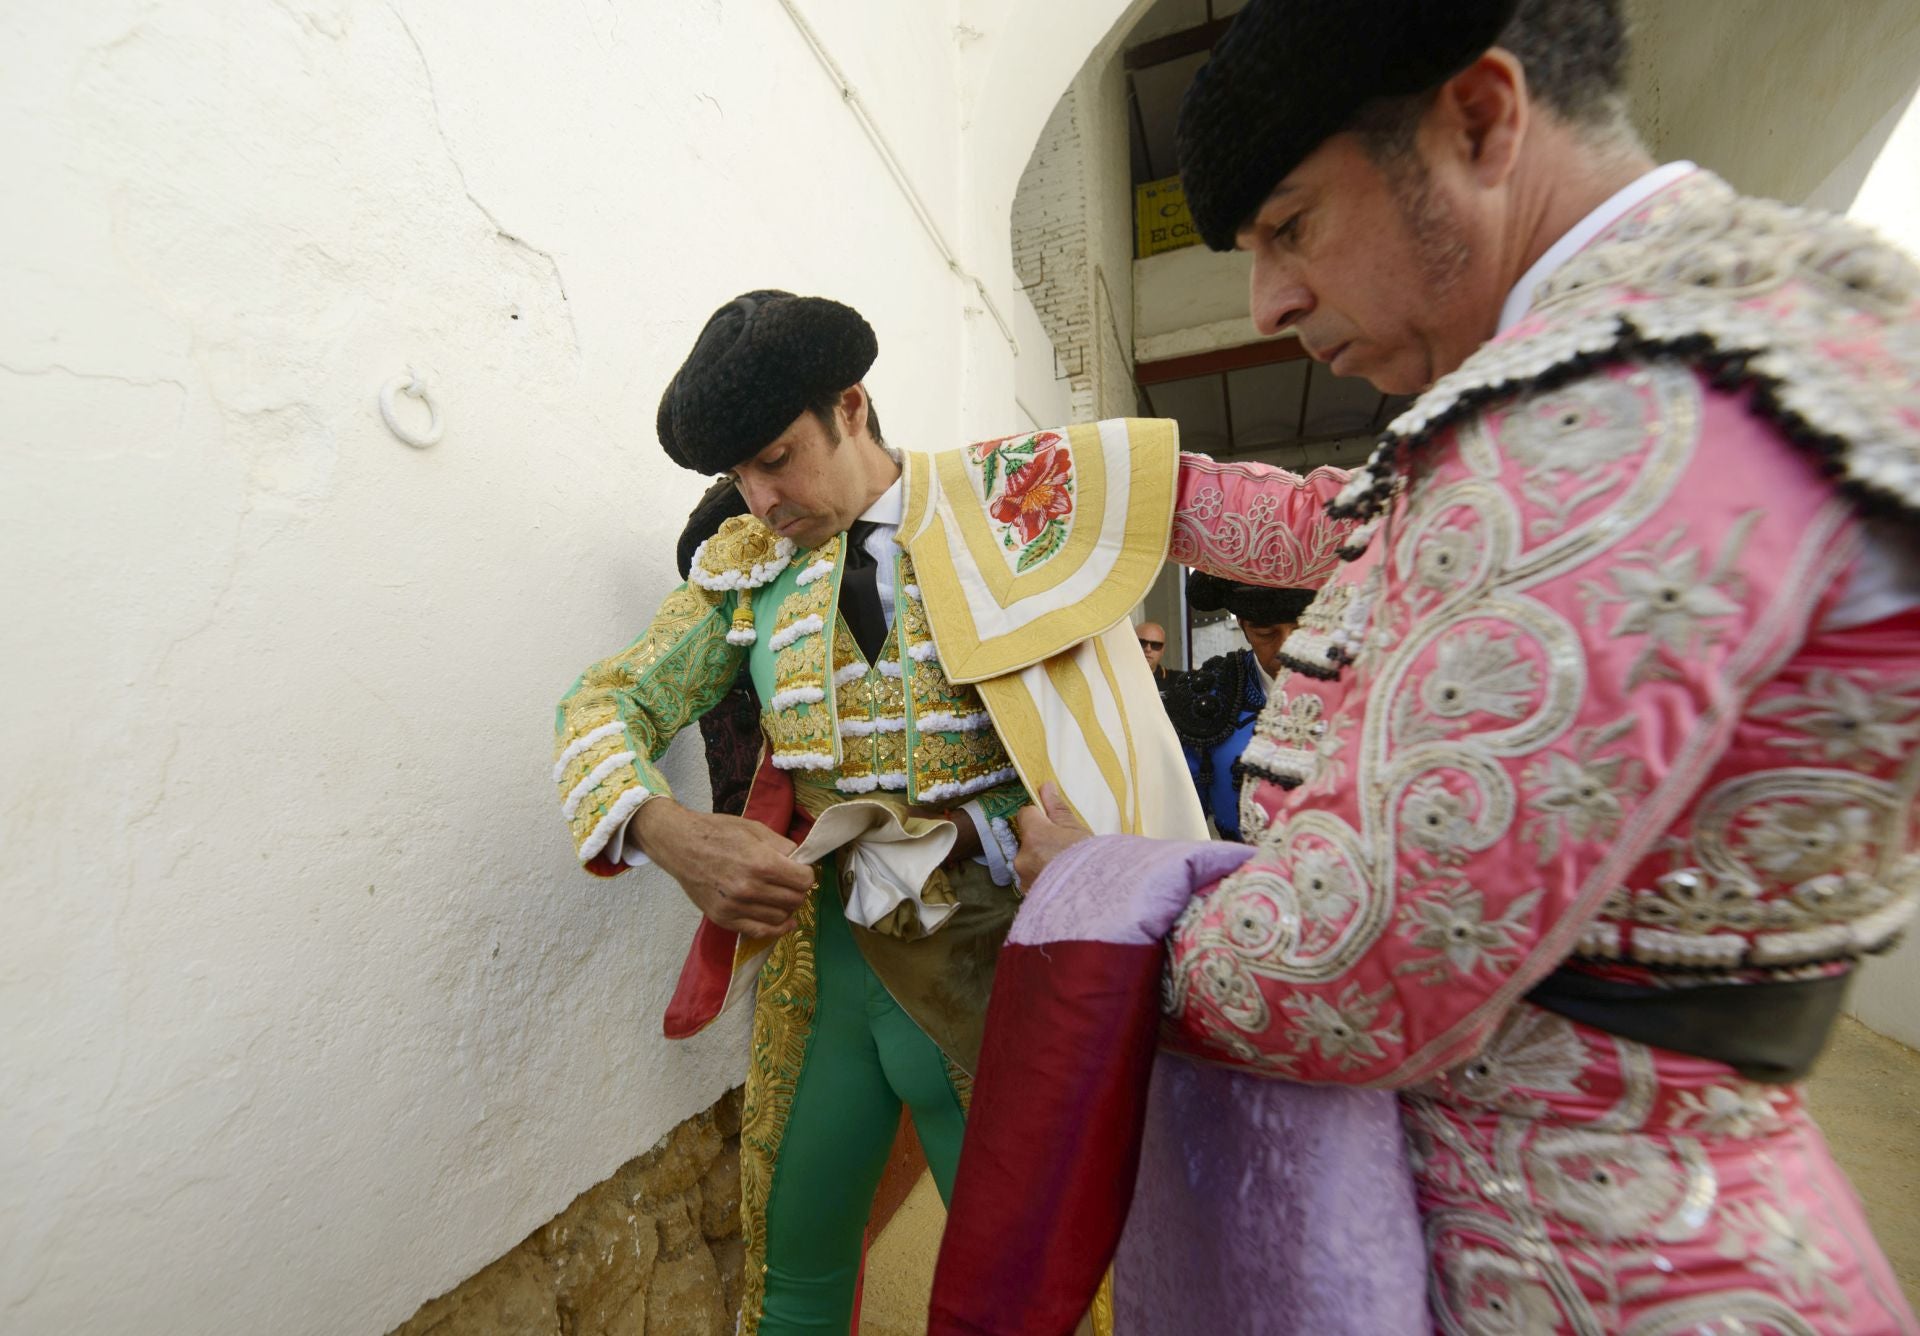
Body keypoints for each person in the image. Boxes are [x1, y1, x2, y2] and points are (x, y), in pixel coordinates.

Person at [929, 1, 1920, 1332]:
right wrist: (1098, 480)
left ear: (1481, 121)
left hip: (1586, 1265)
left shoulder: (1617, 416)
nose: (1268, 299)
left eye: (1291, 225)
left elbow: (1346, 977)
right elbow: (1331, 523)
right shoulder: (1672, 350)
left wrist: (1091, 882)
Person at [553, 291, 1352, 1333]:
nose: (760, 499)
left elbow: (1296, 534)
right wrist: (665, 828)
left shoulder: (1008, 497)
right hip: (827, 968)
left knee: (1057, 1294)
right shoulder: (742, 576)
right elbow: (607, 698)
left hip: (1001, 954)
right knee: (792, 1276)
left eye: (779, 458)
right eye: (737, 476)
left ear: (852, 406)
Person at [1168, 572, 1320, 839]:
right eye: (1265, 633)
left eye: (1303, 629)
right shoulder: (1206, 696)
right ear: (1243, 625)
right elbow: (1179, 827)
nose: (1287, 649)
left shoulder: (1364, 686)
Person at [1133, 620, 1177, 697]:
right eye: (1142, 643)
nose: (1148, 649)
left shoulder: (1177, 683)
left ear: (1163, 650)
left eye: (1156, 645)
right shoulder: (1115, 680)